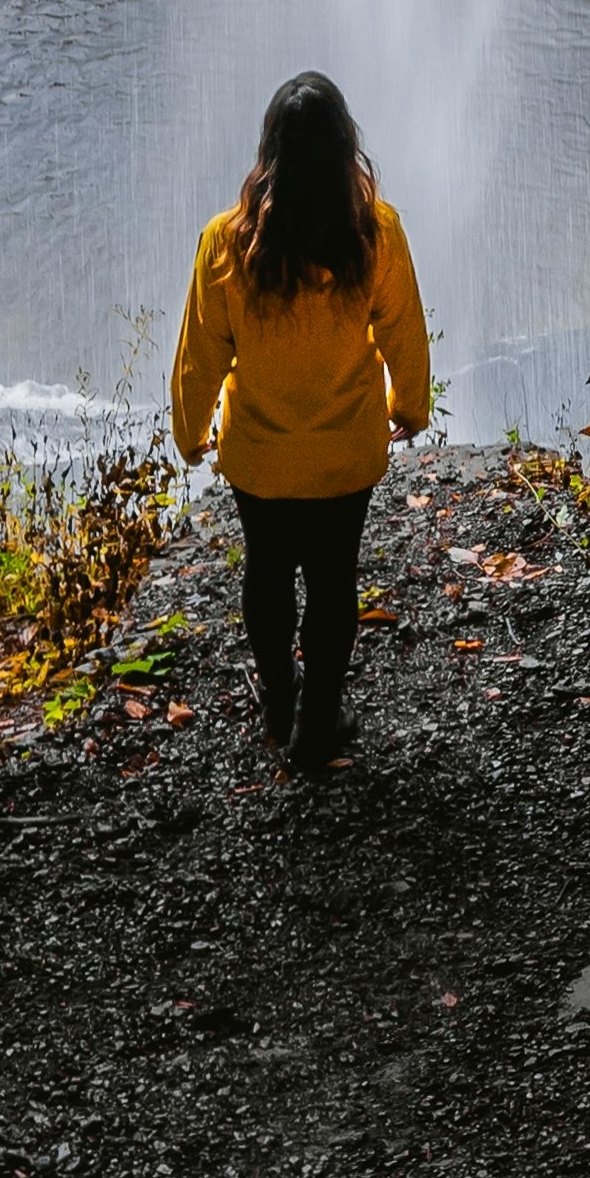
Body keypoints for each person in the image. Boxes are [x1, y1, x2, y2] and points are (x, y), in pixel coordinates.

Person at [163, 72, 434, 772]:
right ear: (347, 148)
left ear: (271, 150)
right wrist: (409, 404)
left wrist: (190, 432)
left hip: (258, 455)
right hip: (345, 453)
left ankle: (278, 704)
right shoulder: (374, 232)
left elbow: (200, 352)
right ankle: (318, 721)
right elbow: (403, 327)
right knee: (333, 578)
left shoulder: (225, 242)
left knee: (266, 572)